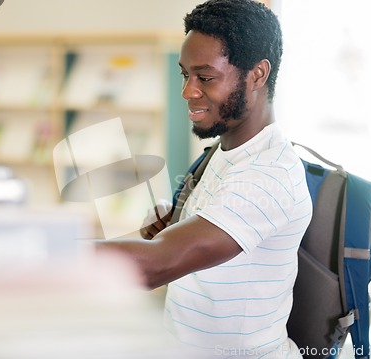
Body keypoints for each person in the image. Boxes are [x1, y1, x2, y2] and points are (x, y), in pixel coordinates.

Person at [95, 0, 312, 357]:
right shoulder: (224, 152)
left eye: (205, 77)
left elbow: (157, 265)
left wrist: (41, 249)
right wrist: (180, 222)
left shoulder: (268, 174)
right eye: (185, 75)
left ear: (257, 75)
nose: (188, 91)